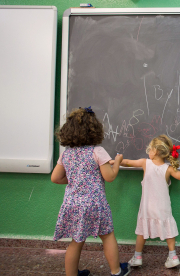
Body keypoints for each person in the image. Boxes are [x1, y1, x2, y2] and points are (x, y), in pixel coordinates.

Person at [51, 107, 131, 276]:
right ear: (94, 130)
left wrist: (75, 179)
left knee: (76, 241)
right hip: (95, 204)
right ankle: (117, 271)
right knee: (107, 236)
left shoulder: (66, 155)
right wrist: (117, 162)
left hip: (72, 204)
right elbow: (109, 177)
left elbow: (56, 178)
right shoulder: (97, 151)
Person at [113, 134, 180, 269]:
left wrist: (114, 161)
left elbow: (127, 162)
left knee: (142, 231)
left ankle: (137, 257)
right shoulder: (168, 169)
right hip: (162, 208)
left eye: (149, 149)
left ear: (155, 151)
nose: (148, 152)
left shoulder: (145, 163)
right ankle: (173, 256)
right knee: (169, 230)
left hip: (147, 208)